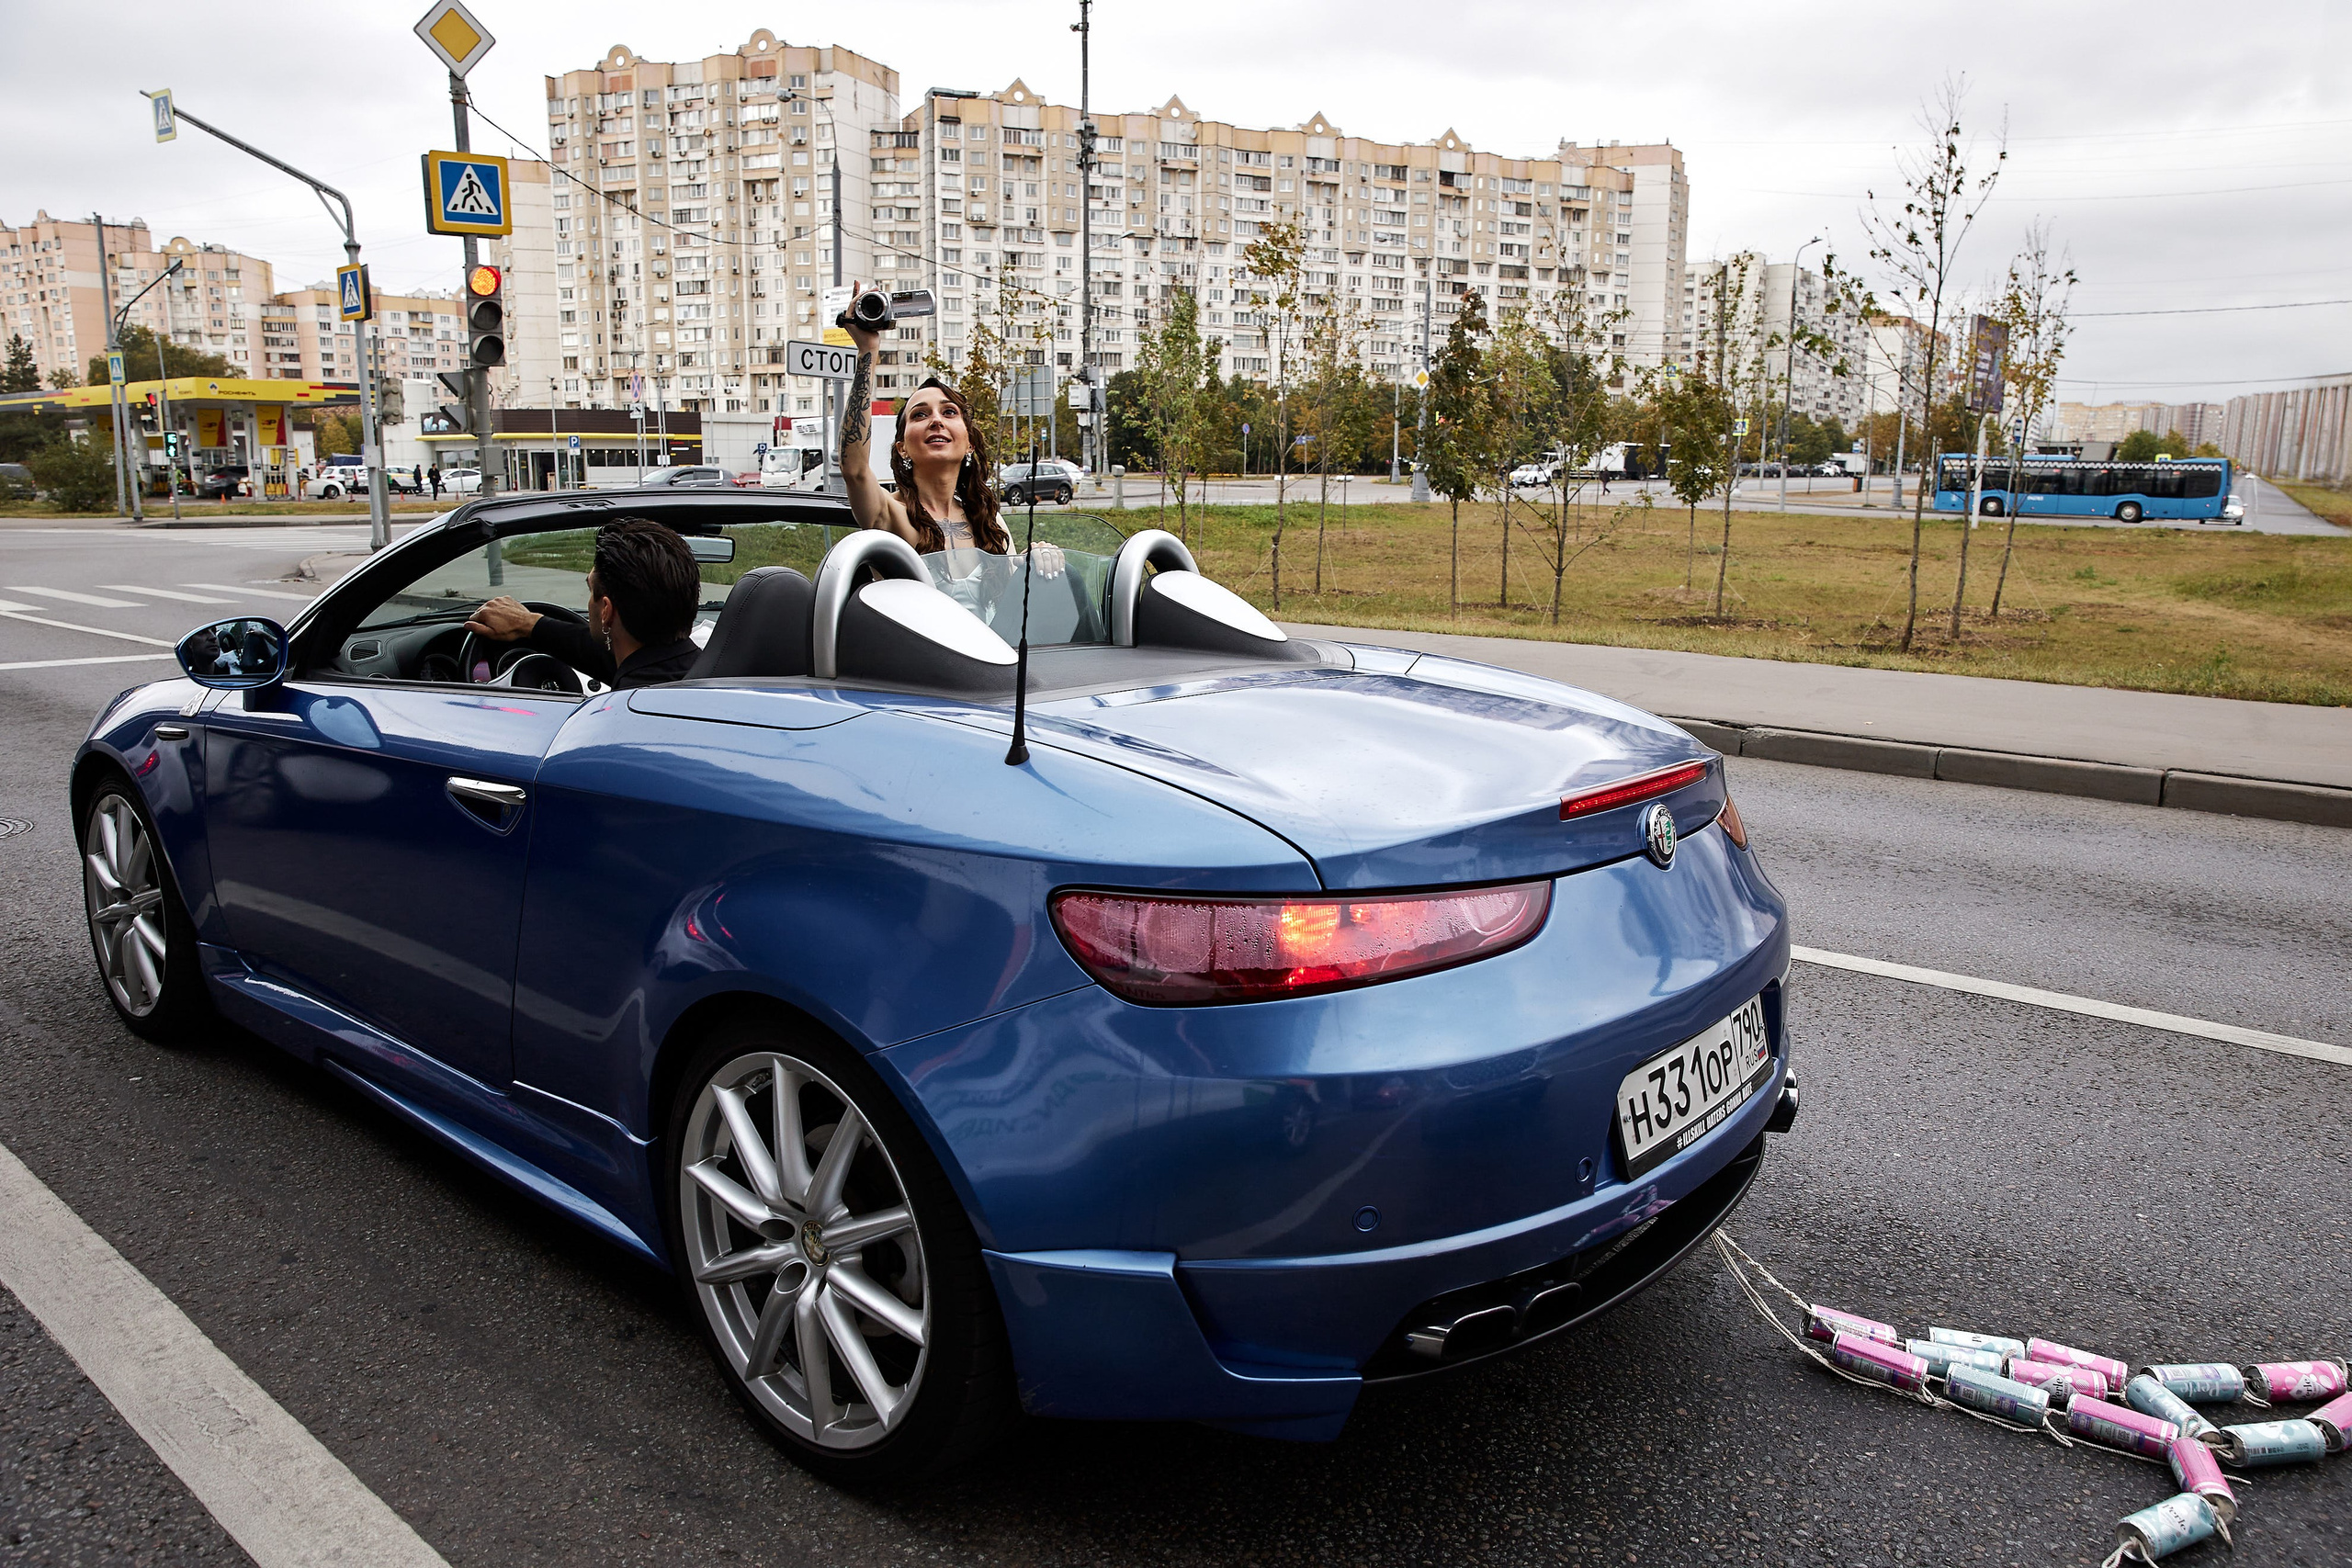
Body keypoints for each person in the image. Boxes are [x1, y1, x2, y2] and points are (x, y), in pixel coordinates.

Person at [837, 288, 1061, 584]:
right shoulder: (890, 515)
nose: (936, 421)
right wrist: (868, 352)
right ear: (902, 448)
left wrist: (1037, 556)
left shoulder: (988, 520)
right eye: (920, 414)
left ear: (968, 442)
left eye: (949, 412)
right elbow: (854, 470)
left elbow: (1011, 603)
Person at [465, 516, 703, 689]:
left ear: (606, 611)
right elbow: (614, 657)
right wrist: (528, 624)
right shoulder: (716, 670)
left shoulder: (624, 714)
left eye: (590, 590)